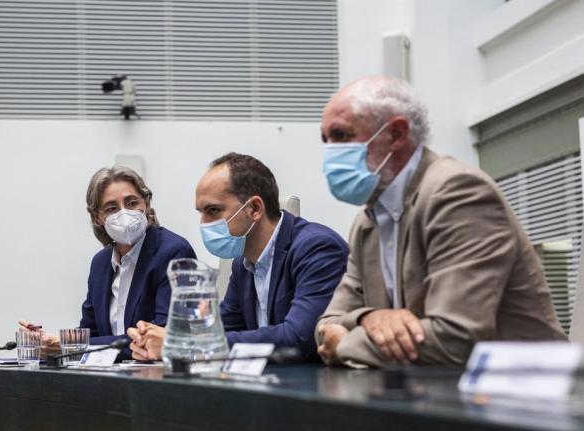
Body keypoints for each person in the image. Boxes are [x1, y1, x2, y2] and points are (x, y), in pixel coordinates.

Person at [315, 76, 567, 368]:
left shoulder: (457, 192)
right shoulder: (367, 221)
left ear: (396, 134)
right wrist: (368, 317)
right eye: (325, 140)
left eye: (341, 135)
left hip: (524, 386)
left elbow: (456, 338)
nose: (330, 151)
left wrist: (345, 344)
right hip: (433, 388)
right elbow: (325, 327)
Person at [128, 153, 349, 362]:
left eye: (213, 210)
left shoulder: (317, 248)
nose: (203, 224)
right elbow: (227, 325)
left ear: (255, 208)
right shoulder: (242, 262)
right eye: (201, 212)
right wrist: (162, 335)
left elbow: (297, 338)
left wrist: (183, 344)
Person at [19, 166, 196, 357]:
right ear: (98, 218)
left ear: (146, 203)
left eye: (131, 203)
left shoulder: (173, 252)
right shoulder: (100, 263)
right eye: (112, 208)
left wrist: (69, 344)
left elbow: (158, 337)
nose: (124, 213)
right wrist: (48, 342)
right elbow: (91, 334)